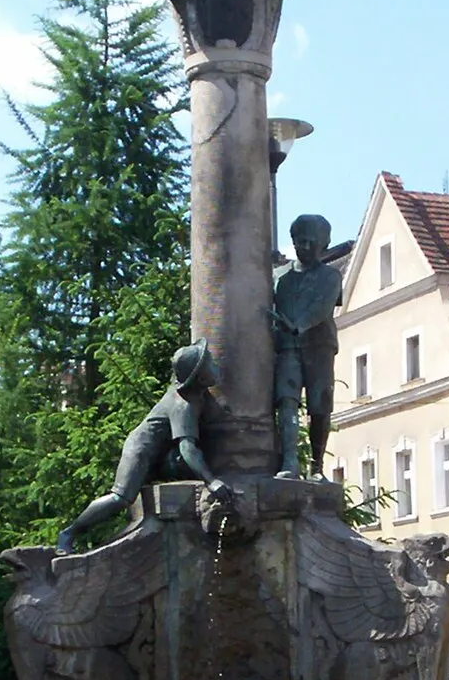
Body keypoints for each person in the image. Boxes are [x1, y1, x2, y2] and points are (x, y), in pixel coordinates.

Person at [59, 342, 232, 553]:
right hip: (141, 450)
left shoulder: (197, 395)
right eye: (209, 364)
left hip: (162, 454)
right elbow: (187, 448)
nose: (215, 366)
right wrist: (212, 481)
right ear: (201, 378)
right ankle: (68, 533)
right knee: (120, 498)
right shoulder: (183, 405)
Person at [272, 213, 343, 479]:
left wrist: (298, 325)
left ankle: (316, 466)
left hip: (319, 347)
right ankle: (290, 461)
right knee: (287, 400)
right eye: (301, 242)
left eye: (313, 242)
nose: (306, 247)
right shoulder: (279, 277)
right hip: (287, 347)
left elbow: (322, 308)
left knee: (320, 406)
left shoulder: (331, 276)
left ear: (325, 244)